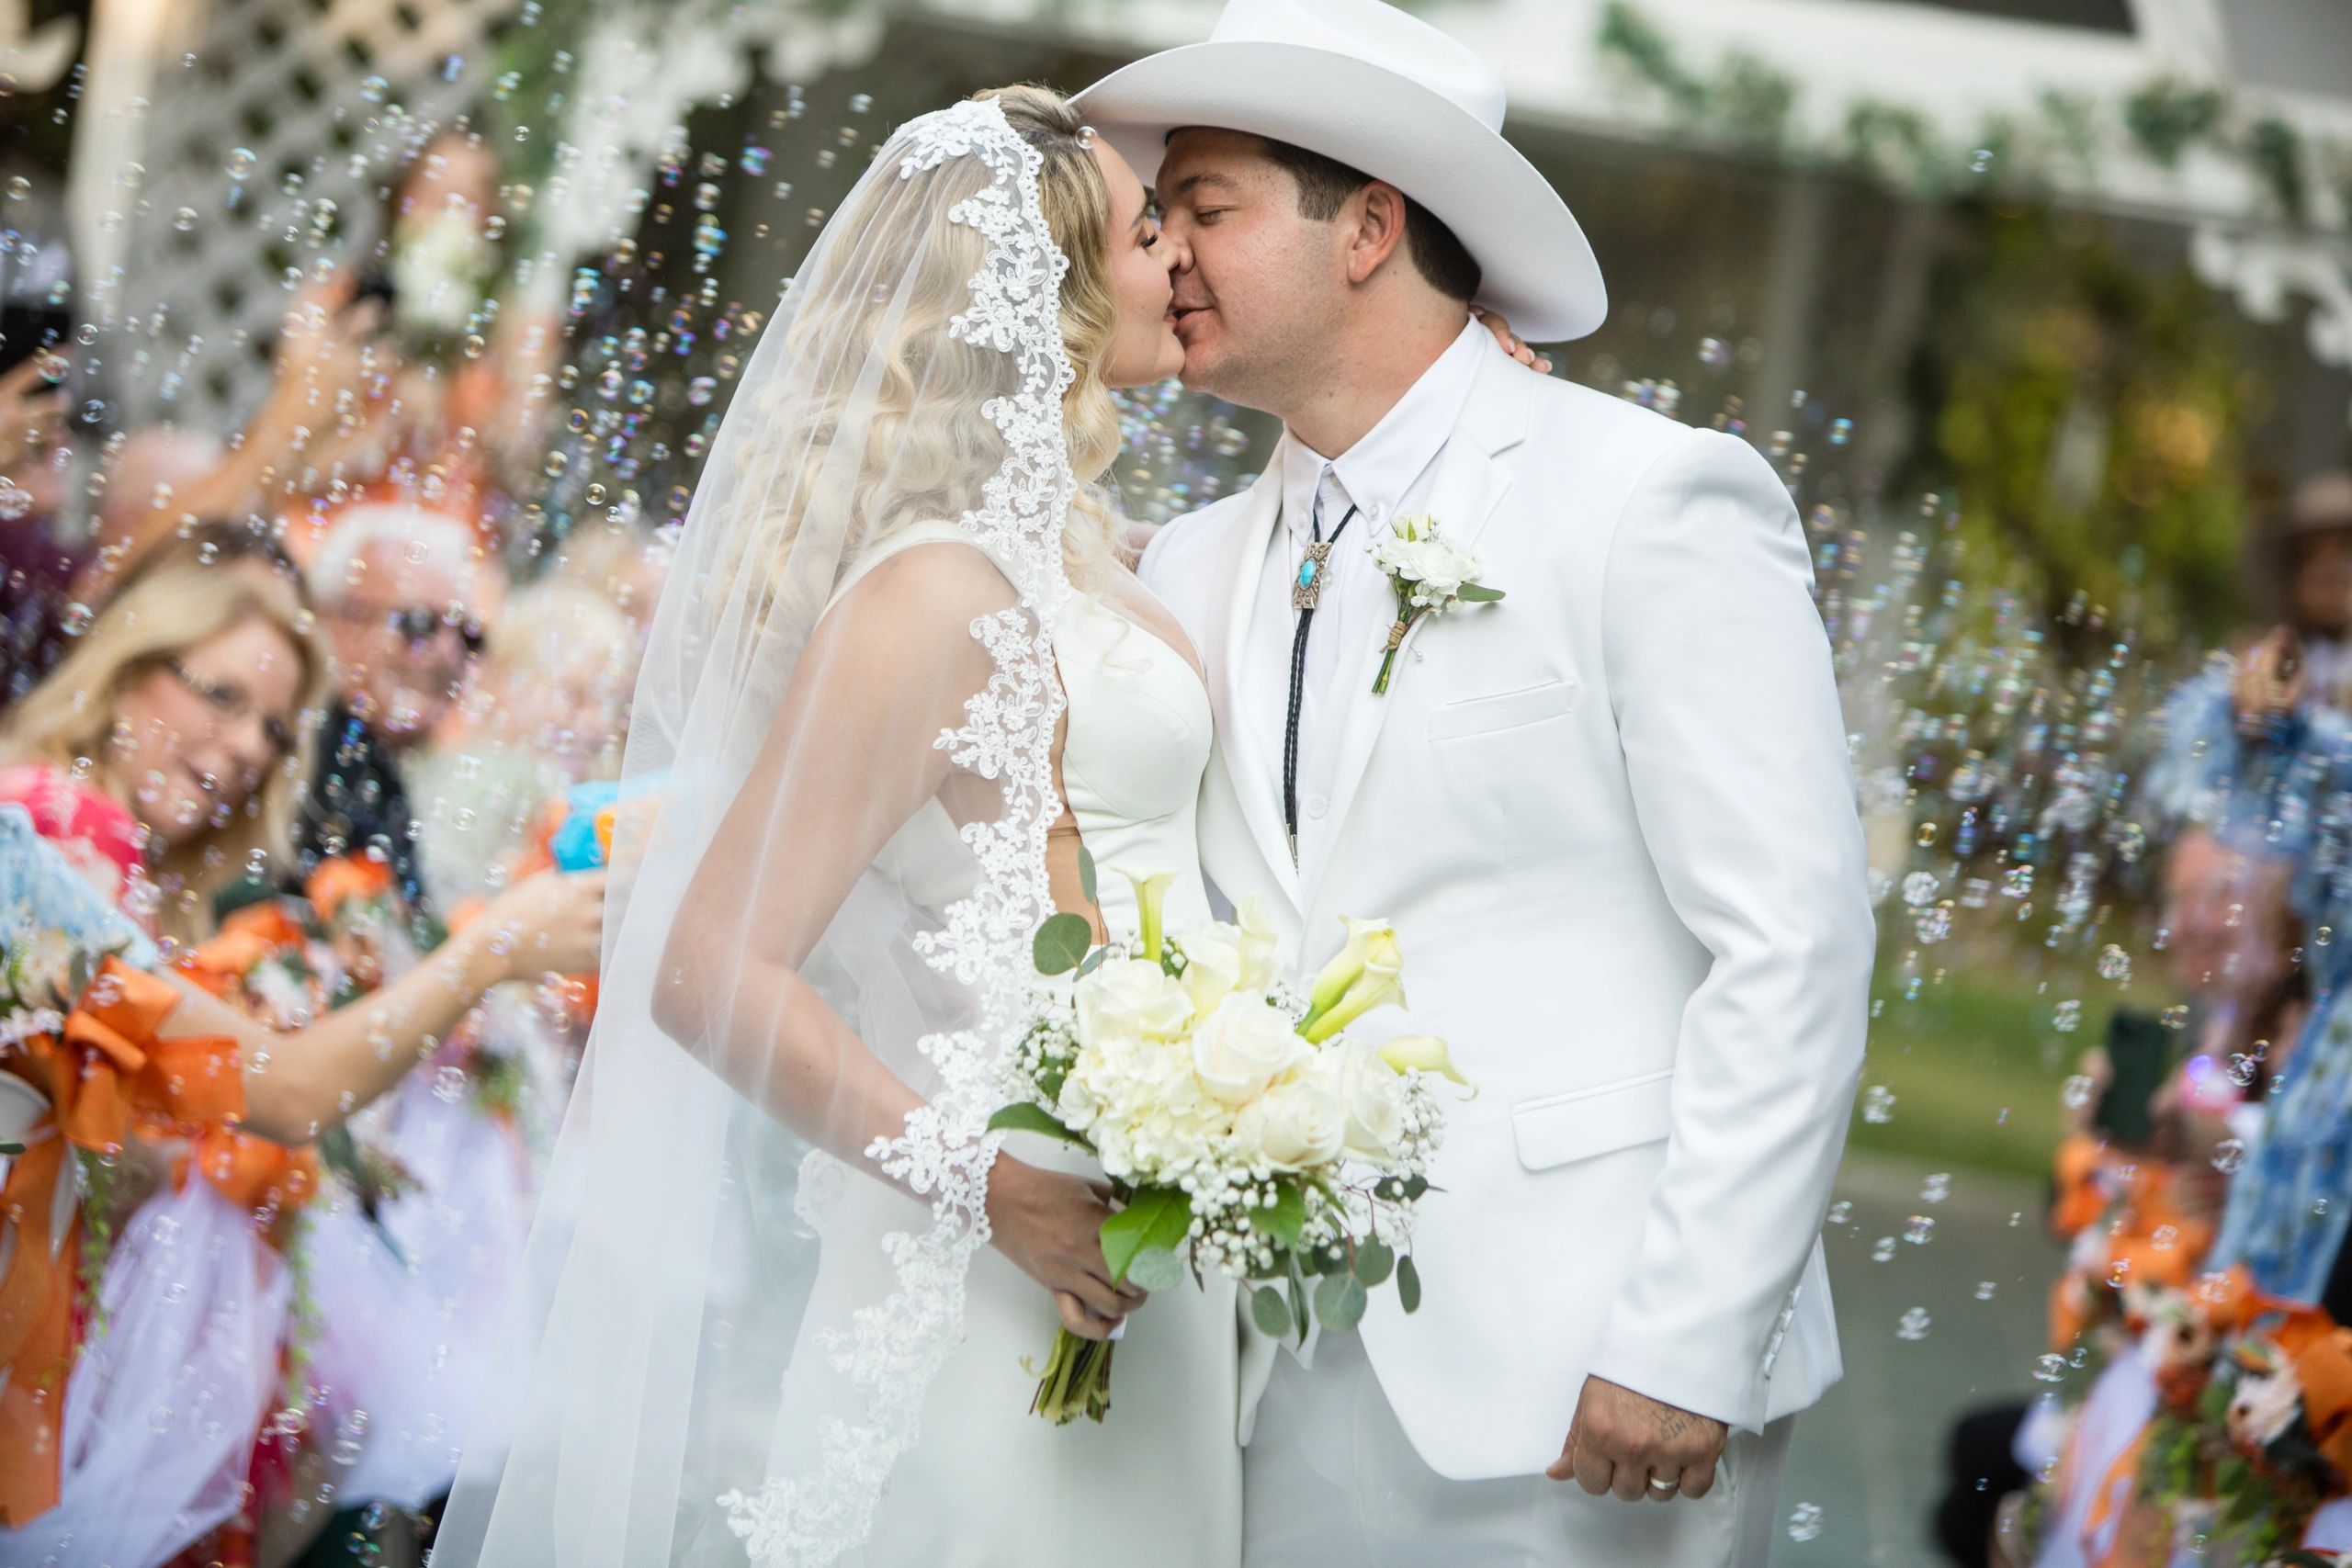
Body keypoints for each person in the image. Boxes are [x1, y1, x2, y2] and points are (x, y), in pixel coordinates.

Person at [1080, 1, 1874, 1563]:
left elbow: (1794, 940)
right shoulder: (1184, 558)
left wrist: (1684, 1334)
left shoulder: (1647, 500)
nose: (1164, 251)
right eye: (1160, 216)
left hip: (1590, 1371)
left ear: (1368, 226)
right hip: (1274, 1369)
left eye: (1208, 208)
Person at [0, 539, 603, 1563]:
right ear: (124, 671)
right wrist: (494, 946)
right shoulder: (52, 842)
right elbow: (277, 1091)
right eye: (220, 696)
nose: (246, 747)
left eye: (275, 729)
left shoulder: (86, 852)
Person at [299, 501, 490, 918]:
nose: (448, 653)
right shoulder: (296, 759)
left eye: (468, 636)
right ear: (335, 619)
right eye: (419, 624)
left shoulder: (374, 766)